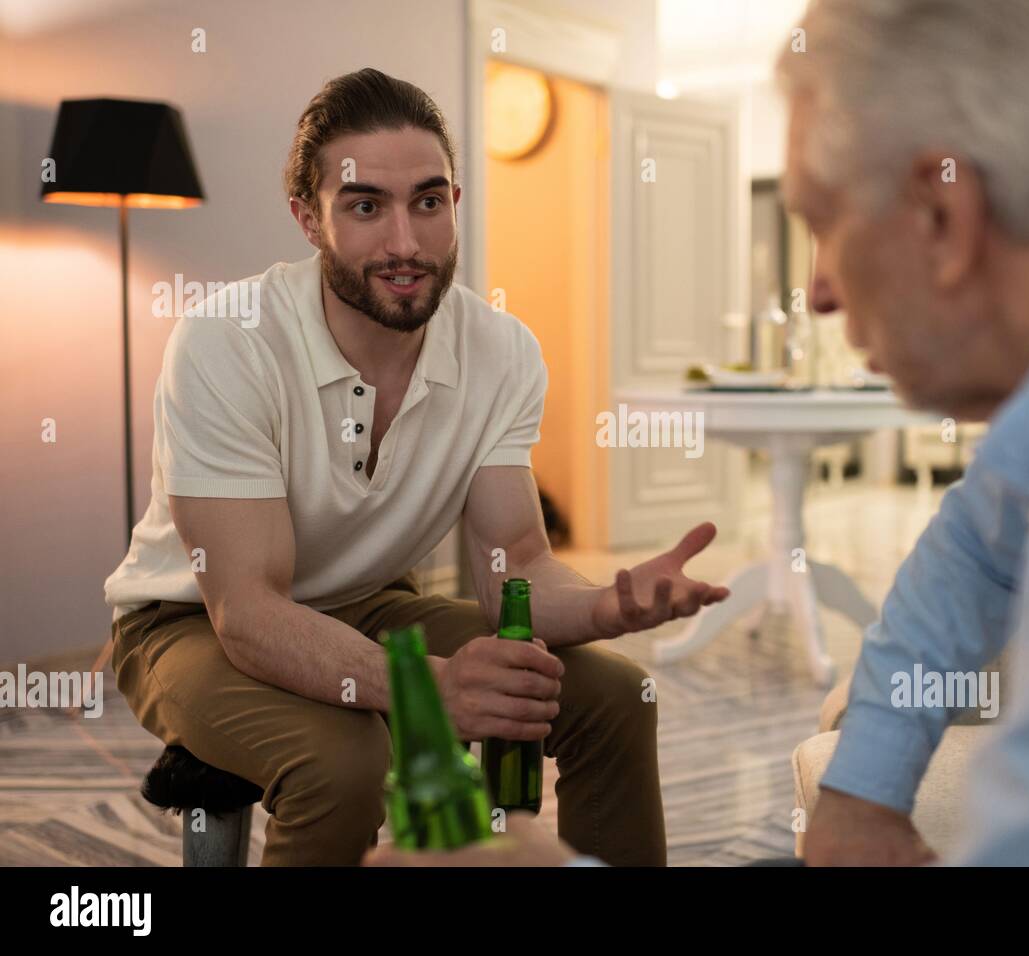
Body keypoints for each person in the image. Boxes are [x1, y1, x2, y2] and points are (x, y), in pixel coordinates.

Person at [367, 0, 1029, 867]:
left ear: (945, 216)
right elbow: (977, 548)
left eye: (819, 221)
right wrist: (862, 786)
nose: (814, 291)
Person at [105, 68, 728, 867]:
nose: (406, 243)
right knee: (344, 762)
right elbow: (248, 612)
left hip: (373, 605)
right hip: (190, 623)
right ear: (308, 217)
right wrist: (430, 686)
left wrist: (608, 605)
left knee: (612, 697)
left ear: (455, 205)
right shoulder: (229, 341)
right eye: (366, 206)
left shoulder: (501, 351)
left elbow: (519, 565)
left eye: (428, 202)